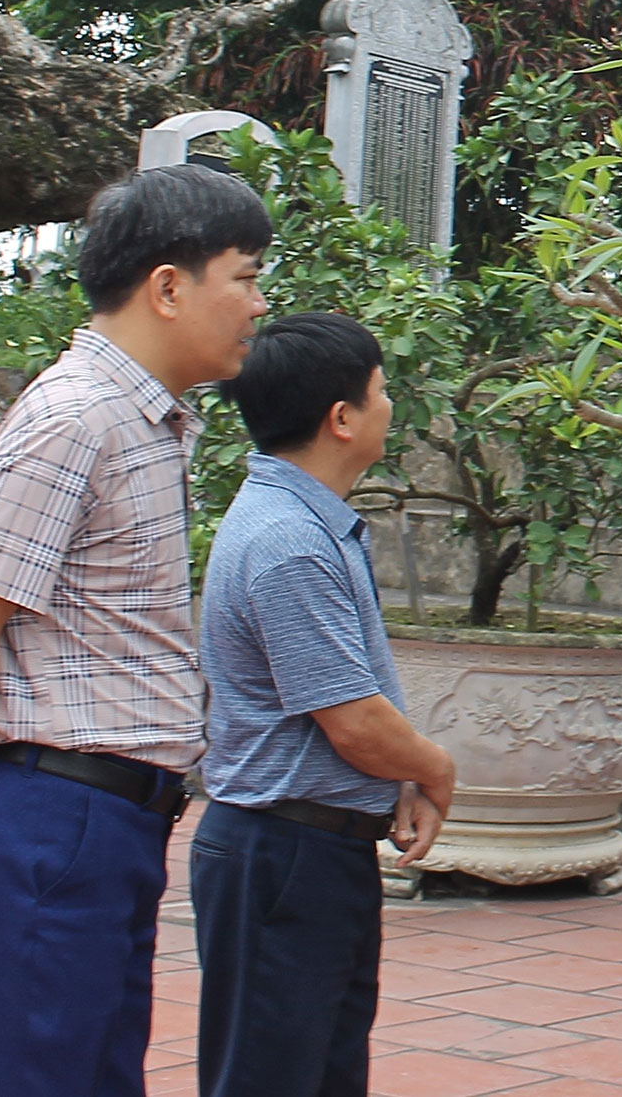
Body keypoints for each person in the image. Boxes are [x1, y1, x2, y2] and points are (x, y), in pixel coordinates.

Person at [0, 165, 272, 1097]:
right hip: (55, 824)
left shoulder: (139, 421)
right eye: (246, 277)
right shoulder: (77, 419)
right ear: (168, 286)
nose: (259, 305)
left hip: (97, 820)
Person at [193, 313, 457, 1097]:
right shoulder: (290, 544)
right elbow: (353, 722)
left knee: (320, 1073)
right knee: (271, 1078)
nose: (390, 406)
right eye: (381, 391)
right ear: (341, 418)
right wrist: (434, 768)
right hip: (284, 852)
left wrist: (398, 776)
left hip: (309, 850)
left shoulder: (307, 524)